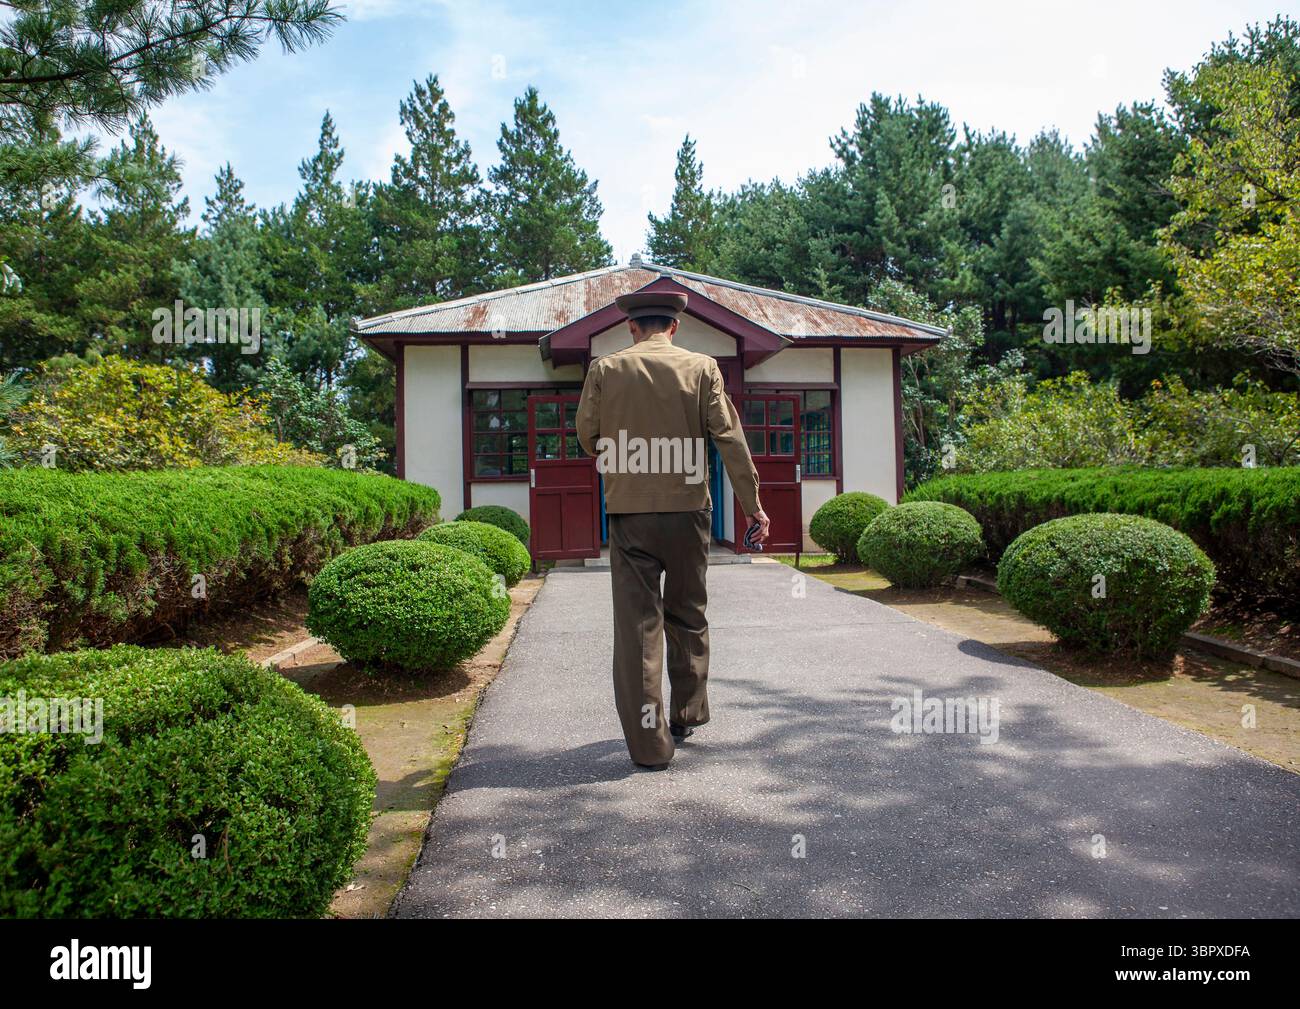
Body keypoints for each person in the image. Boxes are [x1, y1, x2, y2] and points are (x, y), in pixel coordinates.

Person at [575, 290, 769, 770]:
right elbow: (730, 439)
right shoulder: (703, 368)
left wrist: (621, 457)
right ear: (674, 327)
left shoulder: (606, 369)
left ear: (632, 328)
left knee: (640, 628)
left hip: (630, 513)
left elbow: (587, 434)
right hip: (689, 510)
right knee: (688, 613)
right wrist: (753, 507)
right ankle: (685, 714)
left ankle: (651, 746)